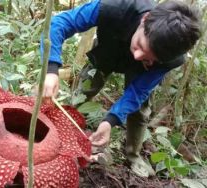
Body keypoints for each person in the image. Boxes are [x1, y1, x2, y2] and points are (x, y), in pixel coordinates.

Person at [40, 0, 201, 177]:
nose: (137, 55)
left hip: (139, 71)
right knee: (85, 89)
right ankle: (65, 133)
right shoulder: (114, 6)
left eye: (149, 56)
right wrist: (51, 68)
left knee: (139, 109)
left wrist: (110, 121)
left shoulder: (172, 57)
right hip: (108, 50)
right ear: (145, 20)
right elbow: (60, 23)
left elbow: (137, 92)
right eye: (140, 45)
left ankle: (133, 155)